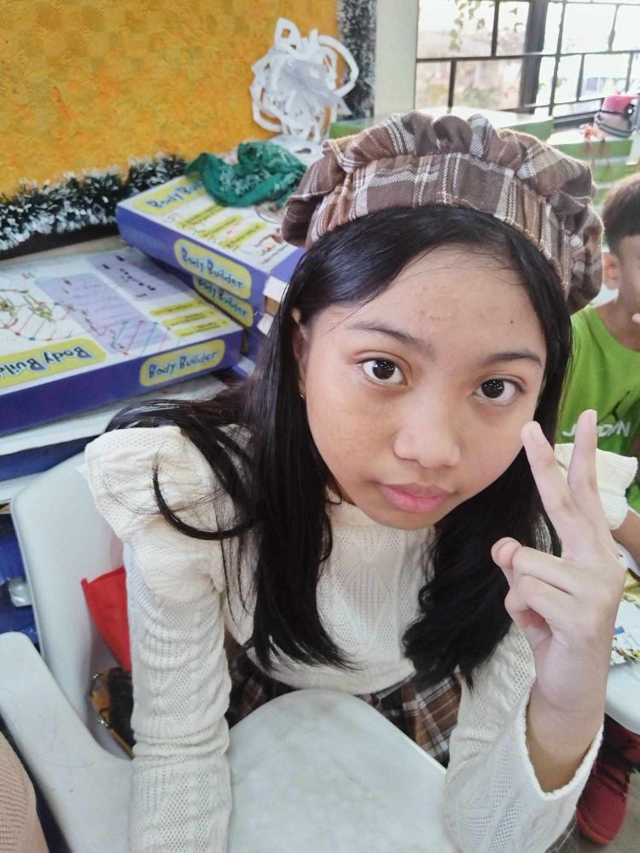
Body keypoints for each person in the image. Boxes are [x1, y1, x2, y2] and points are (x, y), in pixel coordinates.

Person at [83, 112, 633, 853]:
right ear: (302, 350)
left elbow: (488, 836)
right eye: (382, 367)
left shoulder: (527, 520)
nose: (431, 450)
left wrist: (569, 699)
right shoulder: (200, 498)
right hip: (264, 714)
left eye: (496, 387)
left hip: (430, 704)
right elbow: (180, 753)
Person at [555, 171, 640, 845]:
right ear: (613, 267)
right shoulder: (575, 341)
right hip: (565, 517)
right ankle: (596, 742)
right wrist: (628, 529)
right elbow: (545, 459)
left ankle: (623, 745)